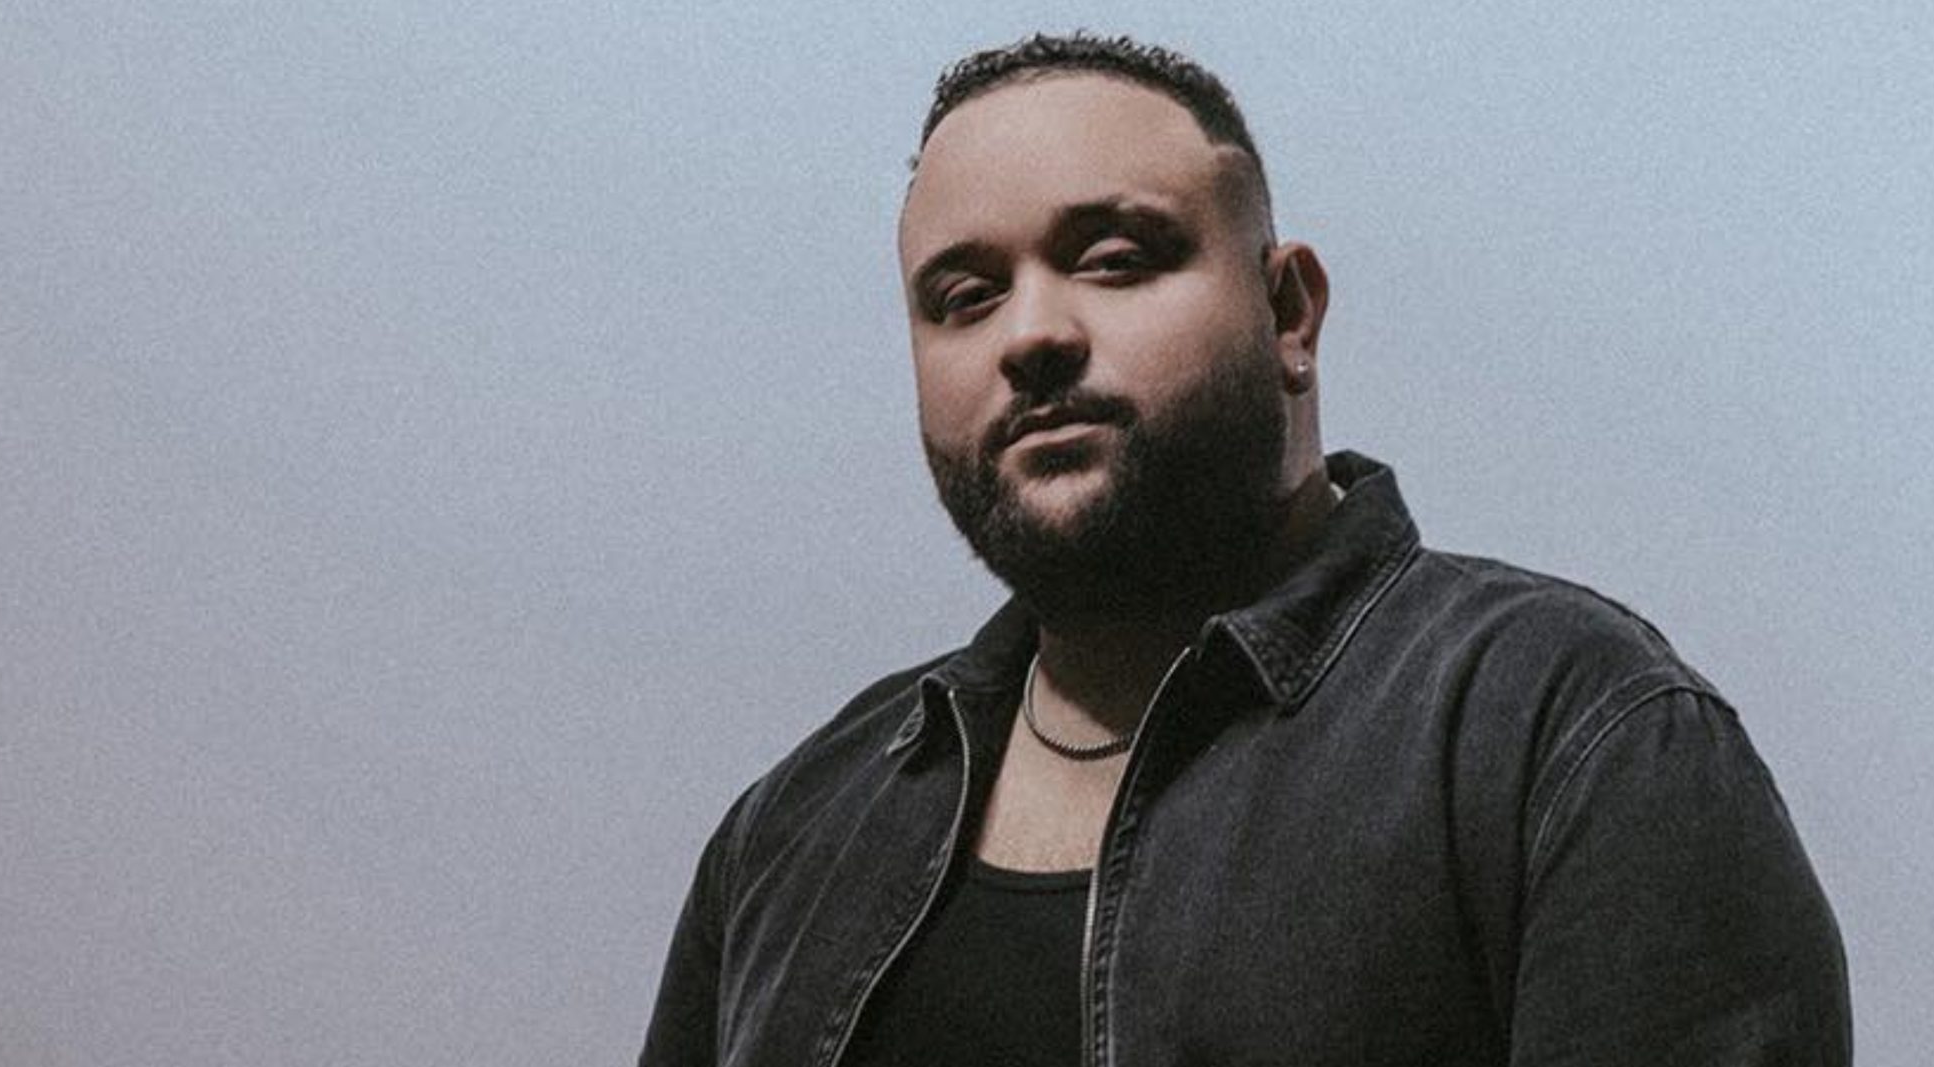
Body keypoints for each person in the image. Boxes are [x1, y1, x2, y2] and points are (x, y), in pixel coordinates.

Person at [641, 32, 1849, 1067]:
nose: (1031, 333)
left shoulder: (1564, 726)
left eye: (1114, 259)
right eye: (963, 296)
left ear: (1287, 313)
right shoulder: (793, 827)